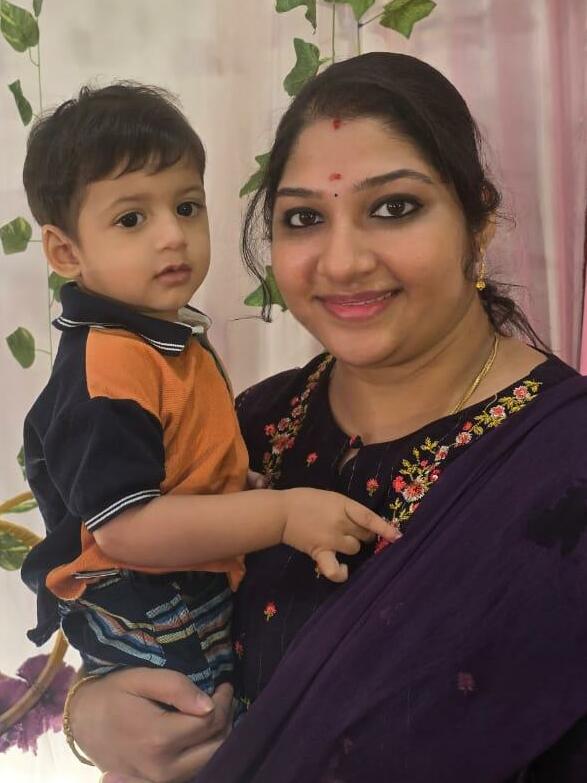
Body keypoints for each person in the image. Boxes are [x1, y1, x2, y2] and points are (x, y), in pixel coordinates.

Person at [66, 54, 587, 782]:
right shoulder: (249, 426)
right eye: (304, 218)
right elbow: (133, 608)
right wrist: (90, 713)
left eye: (394, 207)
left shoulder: (563, 461)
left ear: (479, 220)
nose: (341, 263)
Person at [19, 83, 397, 699]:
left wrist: (224, 482)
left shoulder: (158, 338)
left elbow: (168, 456)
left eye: (187, 207)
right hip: (144, 597)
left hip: (180, 584)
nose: (173, 235)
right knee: (212, 722)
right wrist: (281, 515)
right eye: (132, 219)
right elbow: (126, 529)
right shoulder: (109, 364)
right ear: (65, 251)